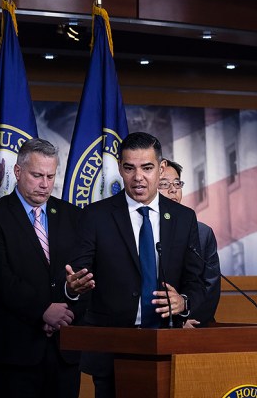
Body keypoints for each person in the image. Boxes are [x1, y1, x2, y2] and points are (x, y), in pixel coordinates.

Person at [65, 132, 204, 398]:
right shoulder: (95, 216)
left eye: (147, 168)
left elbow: (195, 282)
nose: (138, 177)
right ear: (120, 168)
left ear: (161, 168)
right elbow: (78, 277)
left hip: (168, 347)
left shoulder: (183, 218)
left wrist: (183, 302)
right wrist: (73, 288)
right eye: (129, 168)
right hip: (112, 350)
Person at [0, 138, 86, 398]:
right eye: (37, 175)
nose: (44, 184)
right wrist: (43, 311)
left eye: (50, 176)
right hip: (13, 353)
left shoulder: (73, 216)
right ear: (18, 172)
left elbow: (82, 273)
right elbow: (0, 277)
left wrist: (67, 303)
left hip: (63, 351)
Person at [158, 159, 221, 327]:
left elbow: (210, 287)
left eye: (177, 184)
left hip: (194, 325)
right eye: (164, 184)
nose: (173, 190)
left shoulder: (203, 233)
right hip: (154, 325)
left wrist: (186, 316)